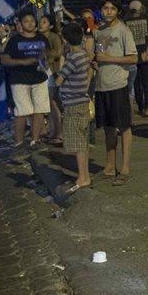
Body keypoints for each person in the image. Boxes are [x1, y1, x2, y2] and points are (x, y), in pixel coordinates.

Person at [92, 0, 136, 185]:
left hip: (118, 84)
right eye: (105, 8)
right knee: (108, 127)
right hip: (101, 85)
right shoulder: (98, 32)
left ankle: (125, 168)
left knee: (123, 126)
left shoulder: (124, 31)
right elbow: (98, 56)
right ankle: (110, 167)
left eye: (112, 8)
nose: (108, 11)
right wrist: (96, 62)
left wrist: (109, 58)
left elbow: (133, 58)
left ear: (117, 11)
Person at [0, 11, 50, 160]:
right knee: (22, 111)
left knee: (40, 109)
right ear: (21, 24)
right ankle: (19, 143)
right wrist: (23, 62)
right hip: (19, 79)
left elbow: (47, 55)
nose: (30, 23)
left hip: (39, 77)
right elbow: (5, 60)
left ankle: (36, 140)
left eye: (32, 20)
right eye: (26, 21)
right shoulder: (15, 41)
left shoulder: (42, 38)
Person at [55, 22, 93, 192]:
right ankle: (84, 176)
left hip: (73, 105)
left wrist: (63, 57)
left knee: (77, 145)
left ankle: (83, 178)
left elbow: (59, 80)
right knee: (82, 143)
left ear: (65, 39)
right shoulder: (84, 55)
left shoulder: (72, 58)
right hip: (82, 102)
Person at [37, 13, 64, 144]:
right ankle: (52, 132)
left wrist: (45, 52)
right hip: (41, 73)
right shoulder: (37, 38)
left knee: (53, 103)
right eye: (40, 22)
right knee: (47, 105)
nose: (41, 24)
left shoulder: (53, 37)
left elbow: (58, 52)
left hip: (51, 72)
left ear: (51, 25)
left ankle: (58, 133)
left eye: (44, 22)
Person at [124, 0, 148, 117]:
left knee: (136, 83)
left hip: (132, 56)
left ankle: (140, 107)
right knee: (147, 83)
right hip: (145, 55)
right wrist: (147, 51)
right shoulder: (147, 21)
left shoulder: (126, 22)